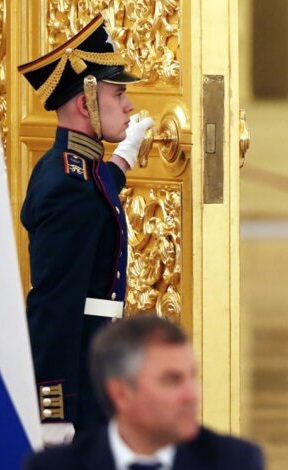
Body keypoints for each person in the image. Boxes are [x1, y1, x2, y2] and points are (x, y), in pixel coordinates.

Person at [17, 14, 155, 443]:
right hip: (81, 384)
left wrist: (124, 157)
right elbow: (54, 306)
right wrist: (53, 411)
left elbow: (96, 195)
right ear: (85, 104)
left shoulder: (74, 169)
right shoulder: (68, 186)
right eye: (119, 93)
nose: (128, 106)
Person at [24, 314, 265, 470]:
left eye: (192, 377)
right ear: (121, 393)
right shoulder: (56, 467)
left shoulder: (234, 462)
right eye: (171, 381)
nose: (191, 395)